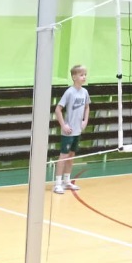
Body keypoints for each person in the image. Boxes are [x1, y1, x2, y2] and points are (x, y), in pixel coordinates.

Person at [53, 65, 90, 194]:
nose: (84, 77)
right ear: (74, 77)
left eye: (85, 75)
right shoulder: (69, 92)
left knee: (71, 156)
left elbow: (87, 107)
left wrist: (85, 120)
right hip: (68, 132)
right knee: (63, 156)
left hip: (77, 130)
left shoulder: (84, 92)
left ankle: (66, 181)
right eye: (81, 75)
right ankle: (57, 184)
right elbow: (58, 109)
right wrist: (63, 125)